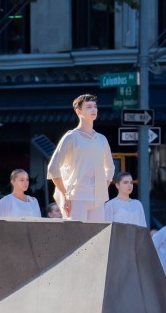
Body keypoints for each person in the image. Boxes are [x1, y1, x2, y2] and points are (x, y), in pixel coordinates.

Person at [47, 94, 115, 222]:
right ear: (79, 111)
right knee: (76, 232)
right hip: (77, 195)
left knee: (97, 233)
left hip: (98, 197)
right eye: (88, 107)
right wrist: (65, 195)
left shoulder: (102, 139)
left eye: (95, 106)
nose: (93, 109)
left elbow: (110, 168)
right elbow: (53, 168)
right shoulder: (71, 137)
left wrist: (102, 188)